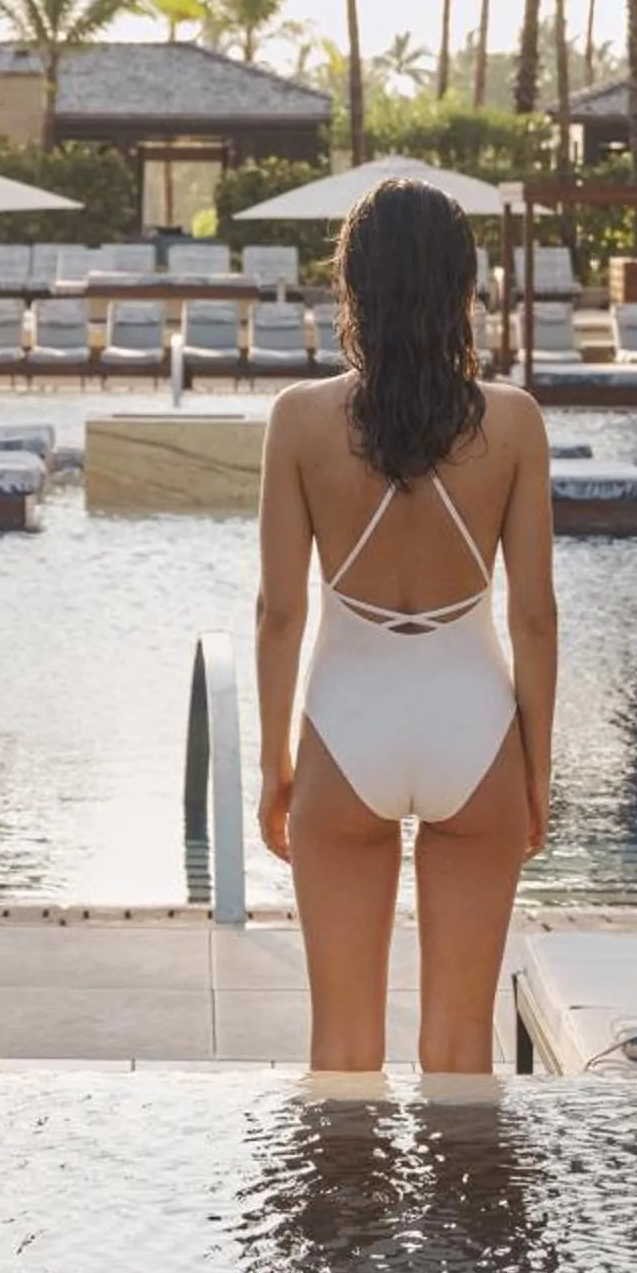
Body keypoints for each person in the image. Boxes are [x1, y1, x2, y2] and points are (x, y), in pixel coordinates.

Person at [254, 177, 557, 1074]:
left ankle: (345, 1220)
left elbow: (279, 614)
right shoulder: (512, 423)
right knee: (462, 1053)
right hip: (476, 734)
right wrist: (534, 771)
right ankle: (468, 1220)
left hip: (348, 732)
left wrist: (276, 767)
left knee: (342, 1053)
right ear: (463, 288)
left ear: (354, 289)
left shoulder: (300, 420)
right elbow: (534, 618)